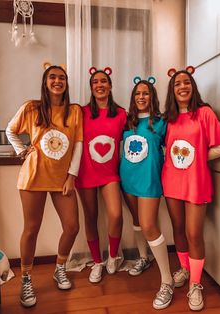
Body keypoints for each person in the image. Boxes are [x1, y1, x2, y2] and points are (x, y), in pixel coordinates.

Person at [6, 63, 83, 308]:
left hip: (62, 178)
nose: (57, 81)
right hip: (33, 177)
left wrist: (72, 175)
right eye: (53, 77)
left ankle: (59, 268)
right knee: (31, 229)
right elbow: (10, 130)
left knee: (72, 226)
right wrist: (21, 151)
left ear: (66, 83)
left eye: (62, 77)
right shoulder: (31, 108)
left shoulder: (74, 111)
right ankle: (26, 279)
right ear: (45, 82)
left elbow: (78, 145)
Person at [162, 66, 220, 311]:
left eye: (186, 83)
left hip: (196, 182)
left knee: (193, 233)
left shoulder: (204, 113)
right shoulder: (167, 118)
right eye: (177, 83)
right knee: (177, 228)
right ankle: (184, 268)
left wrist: (197, 157)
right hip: (171, 181)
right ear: (172, 89)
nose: (182, 86)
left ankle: (195, 283)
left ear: (193, 87)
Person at [119, 77, 174, 310]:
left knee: (150, 225)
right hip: (128, 178)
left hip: (150, 180)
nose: (141, 97)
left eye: (146, 93)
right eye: (137, 93)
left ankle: (167, 281)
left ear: (152, 97)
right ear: (133, 98)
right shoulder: (127, 122)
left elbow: (172, 150)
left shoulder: (161, 122)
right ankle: (144, 257)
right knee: (137, 221)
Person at [75, 67, 127, 284]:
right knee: (91, 218)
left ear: (110, 85)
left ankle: (112, 257)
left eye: (103, 81)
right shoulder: (81, 112)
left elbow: (137, 136)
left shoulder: (122, 113)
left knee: (116, 215)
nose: (99, 85)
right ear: (91, 87)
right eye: (95, 82)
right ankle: (97, 262)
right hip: (85, 173)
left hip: (110, 174)